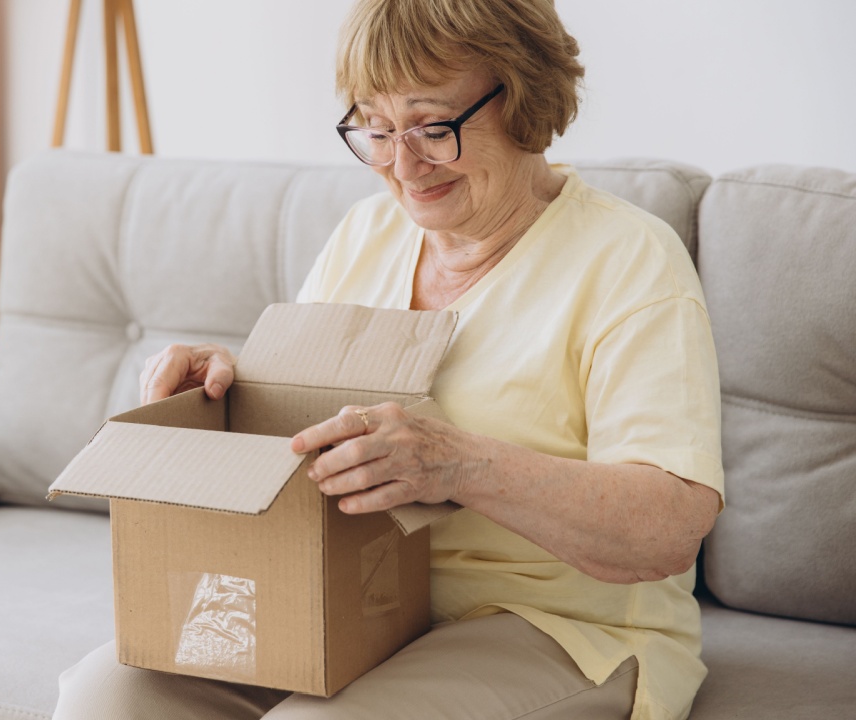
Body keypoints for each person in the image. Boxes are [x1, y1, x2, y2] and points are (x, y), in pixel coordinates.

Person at [53, 0, 723, 717]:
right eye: (375, 129)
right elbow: (303, 427)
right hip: (351, 601)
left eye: (433, 127)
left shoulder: (628, 260)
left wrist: (459, 465)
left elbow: (668, 529)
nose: (402, 166)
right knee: (112, 696)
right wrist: (230, 388)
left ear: (525, 98)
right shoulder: (366, 233)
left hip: (552, 625)